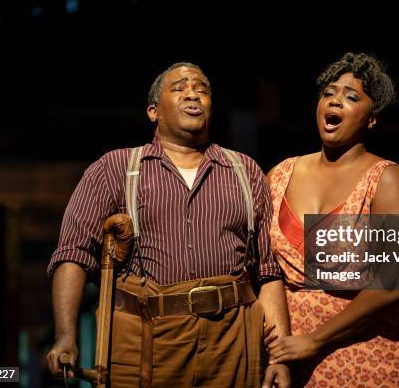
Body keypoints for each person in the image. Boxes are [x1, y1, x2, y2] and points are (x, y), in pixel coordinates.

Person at [46, 62, 291, 387]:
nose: (193, 94)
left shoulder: (244, 171)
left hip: (230, 341)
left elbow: (268, 273)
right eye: (180, 88)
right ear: (152, 111)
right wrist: (66, 336)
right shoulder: (115, 168)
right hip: (147, 340)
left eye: (202, 89)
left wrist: (278, 358)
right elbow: (72, 256)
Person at [264, 53, 399, 387]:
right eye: (329, 93)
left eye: (352, 97)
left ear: (371, 118)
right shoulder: (281, 173)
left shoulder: (386, 179)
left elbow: (393, 282)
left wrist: (316, 339)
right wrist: (280, 348)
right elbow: (264, 270)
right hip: (289, 356)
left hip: (365, 355)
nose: (336, 100)